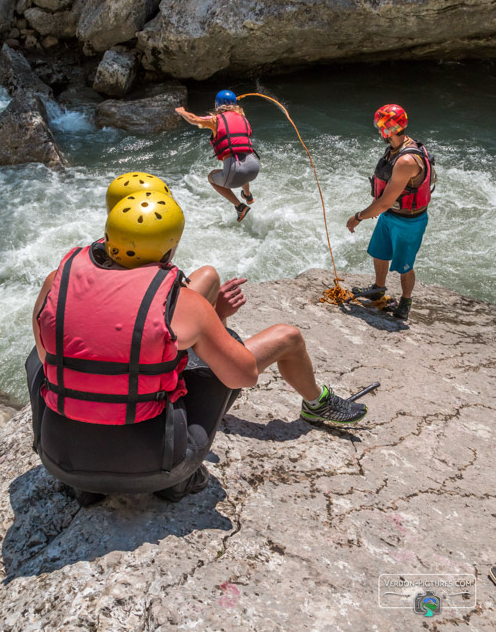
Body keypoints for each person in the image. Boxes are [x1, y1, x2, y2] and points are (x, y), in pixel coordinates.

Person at [28, 185, 368, 506]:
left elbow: (49, 358)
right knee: (282, 338)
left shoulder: (58, 279)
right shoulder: (183, 302)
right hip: (156, 468)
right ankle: (315, 404)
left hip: (60, 460)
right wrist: (217, 317)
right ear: (170, 247)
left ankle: (86, 485)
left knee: (37, 361)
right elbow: (242, 376)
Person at [346, 104, 435, 321]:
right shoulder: (395, 148)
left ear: (388, 129)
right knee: (379, 252)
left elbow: (385, 202)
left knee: (405, 265)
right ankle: (378, 288)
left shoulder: (406, 160)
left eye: (380, 126)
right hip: (392, 215)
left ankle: (405, 301)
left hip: (408, 221)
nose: (378, 130)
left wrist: (357, 217)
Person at [175, 90, 259, 222]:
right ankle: (248, 196)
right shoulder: (243, 119)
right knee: (241, 163)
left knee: (211, 177)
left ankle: (239, 206)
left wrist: (182, 111)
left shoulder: (216, 120)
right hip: (254, 168)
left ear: (217, 105)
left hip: (236, 171)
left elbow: (193, 119)